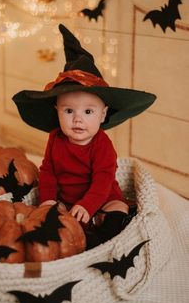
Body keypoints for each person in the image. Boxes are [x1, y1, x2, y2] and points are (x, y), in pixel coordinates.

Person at [13, 24, 156, 244]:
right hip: (68, 203)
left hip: (102, 199)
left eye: (88, 111)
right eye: (69, 111)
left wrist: (88, 206)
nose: (78, 119)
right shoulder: (55, 138)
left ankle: (102, 238)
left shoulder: (102, 145)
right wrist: (48, 200)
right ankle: (74, 237)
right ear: (57, 111)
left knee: (117, 209)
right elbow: (48, 171)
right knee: (48, 220)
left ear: (103, 115)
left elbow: (103, 180)